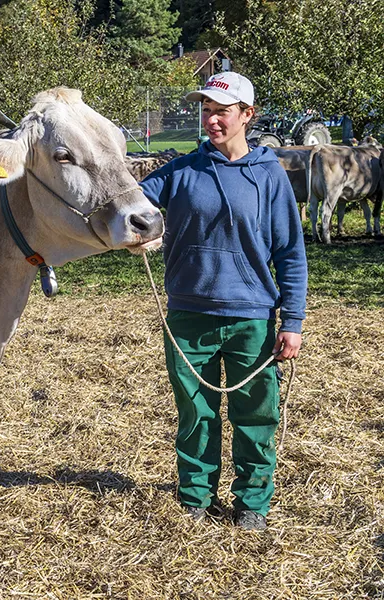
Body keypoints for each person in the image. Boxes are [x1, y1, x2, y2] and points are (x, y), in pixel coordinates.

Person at [139, 72, 308, 531]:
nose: (212, 120)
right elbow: (131, 206)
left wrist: (291, 321)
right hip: (188, 316)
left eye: (222, 111)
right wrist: (135, 230)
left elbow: (291, 253)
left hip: (251, 317)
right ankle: (195, 498)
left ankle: (251, 503)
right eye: (206, 110)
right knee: (196, 413)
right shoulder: (181, 170)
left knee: (256, 415)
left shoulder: (269, 176)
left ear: (247, 115)